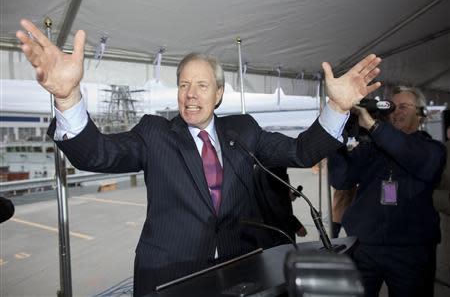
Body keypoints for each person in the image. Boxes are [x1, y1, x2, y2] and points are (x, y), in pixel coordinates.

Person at [16, 19, 382, 295]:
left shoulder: (245, 130)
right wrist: (67, 98)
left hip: (240, 272)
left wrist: (336, 106)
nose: (190, 94)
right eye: (183, 85)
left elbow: (301, 152)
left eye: (202, 85)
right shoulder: (155, 133)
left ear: (219, 94)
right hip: (169, 277)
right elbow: (96, 153)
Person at [328, 86, 447, 297]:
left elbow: (408, 152)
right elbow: (340, 180)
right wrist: (338, 138)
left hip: (410, 250)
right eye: (392, 107)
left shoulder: (432, 149)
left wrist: (374, 127)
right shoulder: (371, 149)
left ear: (420, 114)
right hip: (364, 246)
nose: (396, 112)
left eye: (404, 107)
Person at [253, 166, 307, 248]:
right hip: (277, 234)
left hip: (263, 231)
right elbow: (277, 205)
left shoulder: (261, 165)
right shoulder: (275, 170)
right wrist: (296, 226)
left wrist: (289, 193)